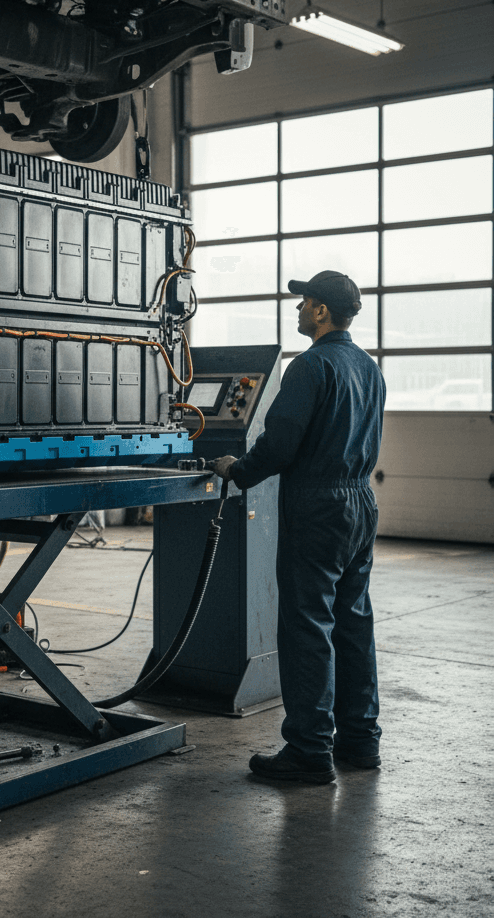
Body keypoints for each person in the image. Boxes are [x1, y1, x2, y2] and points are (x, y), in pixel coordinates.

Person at [208, 270, 386, 784]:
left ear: (323, 311)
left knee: (308, 625)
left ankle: (309, 750)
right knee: (353, 624)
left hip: (318, 506)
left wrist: (237, 470)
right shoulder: (368, 369)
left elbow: (280, 443)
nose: (298, 311)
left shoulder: (310, 367)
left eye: (305, 303)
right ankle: (360, 741)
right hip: (359, 501)